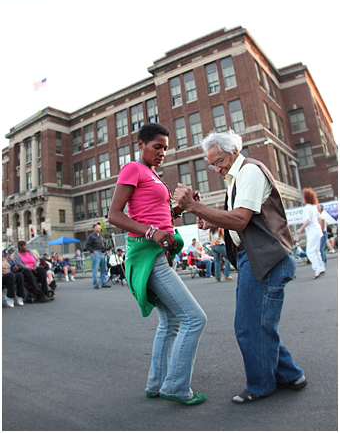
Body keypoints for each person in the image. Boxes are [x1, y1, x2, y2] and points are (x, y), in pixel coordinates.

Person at [174, 129, 306, 404]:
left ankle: (261, 385)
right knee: (259, 325)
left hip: (265, 259)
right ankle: (291, 374)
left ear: (234, 152)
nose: (216, 168)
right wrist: (213, 220)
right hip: (257, 258)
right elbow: (238, 219)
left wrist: (194, 207)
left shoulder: (249, 172)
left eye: (218, 160)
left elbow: (241, 220)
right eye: (211, 163)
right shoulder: (236, 176)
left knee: (250, 326)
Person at [108, 122, 207, 406]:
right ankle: (176, 387)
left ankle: (156, 382)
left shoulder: (152, 174)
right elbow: (114, 215)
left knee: (171, 320)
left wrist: (181, 208)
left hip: (160, 253)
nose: (162, 152)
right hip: (148, 255)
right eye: (157, 146)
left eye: (165, 147)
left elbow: (159, 216)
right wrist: (152, 232)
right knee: (194, 318)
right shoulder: (132, 169)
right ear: (140, 144)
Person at [297, 188, 325, 279]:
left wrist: (300, 229)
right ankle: (321, 267)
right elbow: (319, 218)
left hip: (313, 233)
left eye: (304, 197)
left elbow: (307, 220)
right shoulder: (314, 207)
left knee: (310, 252)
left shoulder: (307, 208)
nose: (303, 199)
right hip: (317, 231)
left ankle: (318, 269)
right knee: (316, 251)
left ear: (307, 198)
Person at [85, 223, 111, 289]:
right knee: (95, 269)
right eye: (97, 227)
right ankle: (95, 284)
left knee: (104, 269)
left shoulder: (101, 236)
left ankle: (104, 283)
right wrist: (93, 251)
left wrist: (106, 251)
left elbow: (105, 244)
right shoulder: (91, 236)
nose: (98, 228)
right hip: (96, 253)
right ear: (94, 228)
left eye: (99, 227)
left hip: (103, 253)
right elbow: (87, 245)